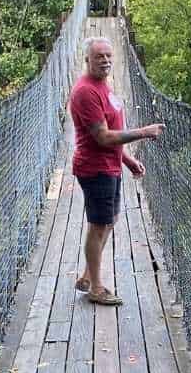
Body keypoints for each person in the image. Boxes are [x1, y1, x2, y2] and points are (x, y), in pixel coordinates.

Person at [68, 36, 164, 306]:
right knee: (98, 225)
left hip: (108, 166)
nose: (106, 60)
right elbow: (103, 138)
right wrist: (144, 133)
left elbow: (110, 135)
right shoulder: (86, 92)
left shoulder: (103, 86)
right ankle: (96, 289)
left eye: (109, 56)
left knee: (108, 221)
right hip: (95, 168)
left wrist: (127, 160)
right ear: (87, 59)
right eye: (99, 56)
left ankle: (88, 274)